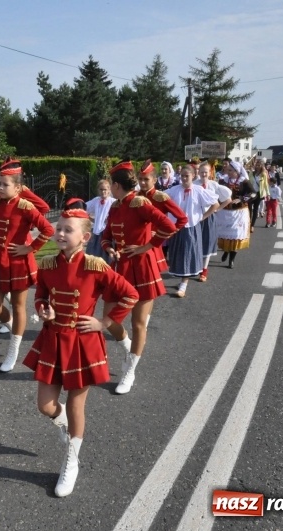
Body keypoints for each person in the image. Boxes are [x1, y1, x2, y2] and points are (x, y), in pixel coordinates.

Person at [23, 199, 138, 497]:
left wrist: (104, 322)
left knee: (76, 404)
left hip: (83, 343)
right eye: (58, 228)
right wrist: (43, 308)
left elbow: (130, 294)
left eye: (67, 230)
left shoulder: (95, 266)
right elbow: (41, 294)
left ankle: (71, 460)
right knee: (45, 405)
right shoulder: (47, 264)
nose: (60, 233)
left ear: (85, 237)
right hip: (52, 339)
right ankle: (65, 428)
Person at [101, 161, 177, 395]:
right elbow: (106, 234)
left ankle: (130, 369)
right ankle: (128, 349)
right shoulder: (115, 207)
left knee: (138, 323)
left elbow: (169, 226)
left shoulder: (139, 203)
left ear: (115, 185)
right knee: (109, 319)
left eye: (110, 185)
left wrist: (146, 247)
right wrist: (109, 248)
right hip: (120, 266)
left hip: (143, 269)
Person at [0, 158, 55, 373]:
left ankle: (13, 349)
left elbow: (48, 230)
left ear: (18, 187)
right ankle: (12, 326)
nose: (0, 188)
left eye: (5, 184)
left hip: (18, 262)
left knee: (19, 306)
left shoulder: (25, 206)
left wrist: (29, 249)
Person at [165, 165, 219, 297]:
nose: (184, 178)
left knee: (188, 254)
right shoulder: (174, 190)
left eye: (186, 176)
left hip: (191, 227)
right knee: (177, 254)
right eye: (182, 176)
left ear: (193, 176)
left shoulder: (199, 190)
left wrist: (202, 217)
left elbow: (215, 204)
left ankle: (184, 283)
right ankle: (181, 280)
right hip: (177, 227)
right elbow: (161, 200)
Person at [137, 159, 187, 275]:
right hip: (137, 242)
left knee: (149, 276)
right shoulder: (135, 197)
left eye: (146, 179)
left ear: (154, 180)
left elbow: (182, 218)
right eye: (140, 179)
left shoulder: (161, 197)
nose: (142, 182)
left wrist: (164, 233)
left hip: (152, 242)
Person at [194, 161, 232, 281]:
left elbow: (228, 199)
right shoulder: (194, 185)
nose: (204, 174)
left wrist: (218, 209)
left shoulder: (214, 185)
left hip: (209, 217)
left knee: (208, 242)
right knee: (196, 242)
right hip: (197, 217)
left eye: (206, 172)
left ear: (210, 173)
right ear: (198, 173)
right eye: (202, 172)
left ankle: (204, 270)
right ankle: (197, 267)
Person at [217, 161, 255, 268]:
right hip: (225, 212)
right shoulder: (222, 181)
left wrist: (241, 199)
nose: (227, 172)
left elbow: (253, 193)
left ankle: (231, 259)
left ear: (237, 172)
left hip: (239, 212)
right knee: (225, 234)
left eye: (230, 170)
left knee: (236, 235)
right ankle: (226, 251)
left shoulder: (244, 182)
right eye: (227, 170)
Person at [84, 179, 113, 260]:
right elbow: (85, 207)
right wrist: (89, 217)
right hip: (96, 232)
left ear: (109, 190)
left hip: (107, 232)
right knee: (93, 256)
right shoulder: (96, 200)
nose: (103, 192)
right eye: (101, 189)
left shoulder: (113, 202)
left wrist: (111, 220)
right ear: (98, 190)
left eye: (105, 189)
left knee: (106, 257)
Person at [249, 158, 270, 232]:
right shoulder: (251, 173)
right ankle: (248, 223)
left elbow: (266, 185)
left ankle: (252, 225)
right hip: (251, 193)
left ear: (261, 166)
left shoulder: (263, 174)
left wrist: (268, 194)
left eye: (259, 165)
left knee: (255, 209)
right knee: (249, 209)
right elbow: (248, 182)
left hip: (259, 193)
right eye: (256, 165)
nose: (257, 166)